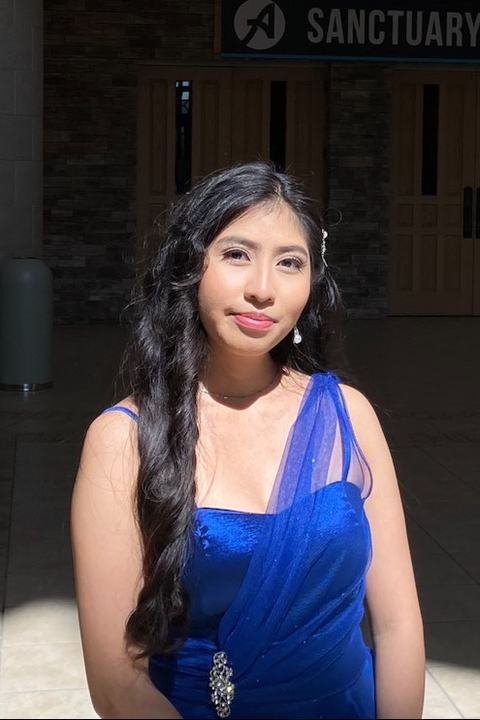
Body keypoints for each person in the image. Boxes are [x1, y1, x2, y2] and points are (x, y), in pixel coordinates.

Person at [70, 161, 425, 720]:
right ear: (190, 266)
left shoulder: (348, 415)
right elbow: (117, 683)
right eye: (237, 254)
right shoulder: (122, 439)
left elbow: (398, 623)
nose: (263, 289)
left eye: (290, 263)